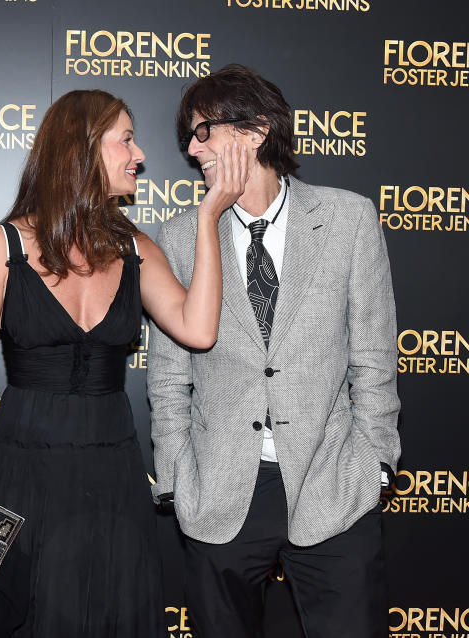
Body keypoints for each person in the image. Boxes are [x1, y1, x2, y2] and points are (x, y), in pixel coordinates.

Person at [0, 89, 244, 637]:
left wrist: (209, 216)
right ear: (81, 150)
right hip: (15, 474)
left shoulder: (136, 250)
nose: (139, 153)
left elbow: (199, 328)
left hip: (112, 474)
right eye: (125, 138)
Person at [148, 64, 400, 638]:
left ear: (255, 131)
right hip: (220, 490)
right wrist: (178, 477)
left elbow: (374, 356)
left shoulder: (347, 219)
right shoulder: (182, 233)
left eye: (203, 130)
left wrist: (376, 463)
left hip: (332, 480)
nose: (192, 148)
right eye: (189, 136)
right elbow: (168, 375)